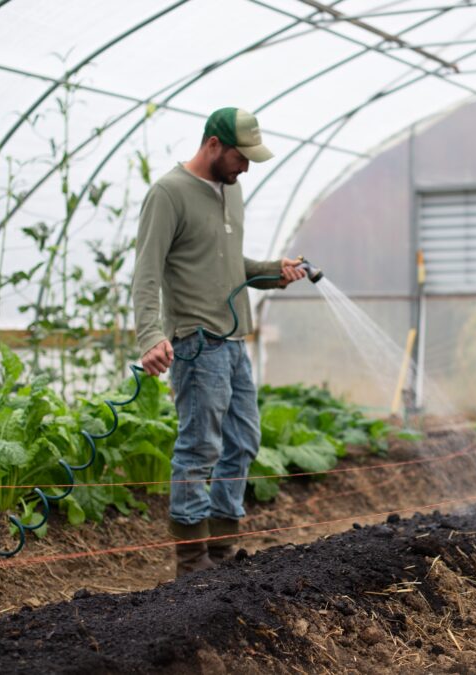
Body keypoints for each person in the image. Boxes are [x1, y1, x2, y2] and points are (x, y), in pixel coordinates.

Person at [132, 107, 306, 578]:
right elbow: (147, 273)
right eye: (240, 157)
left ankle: (223, 554)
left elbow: (229, 266)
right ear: (213, 144)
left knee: (244, 440)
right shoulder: (169, 194)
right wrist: (150, 335)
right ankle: (192, 562)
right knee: (199, 448)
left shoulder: (233, 192)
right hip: (196, 343)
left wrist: (275, 272)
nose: (246, 166)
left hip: (233, 343)